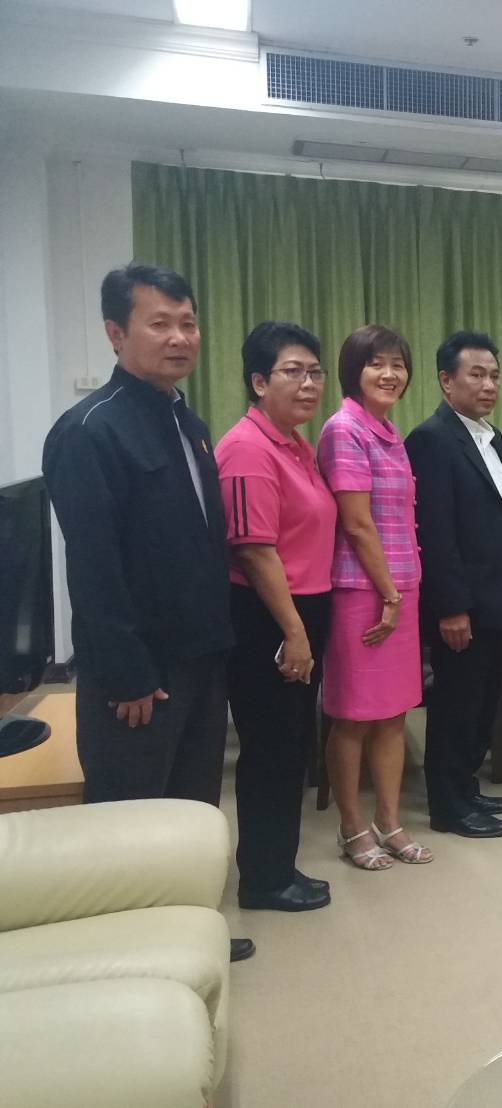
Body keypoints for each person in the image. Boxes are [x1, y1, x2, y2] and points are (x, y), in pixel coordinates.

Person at [42, 263, 253, 961]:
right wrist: (127, 673)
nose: (179, 337)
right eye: (159, 323)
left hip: (202, 654)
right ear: (115, 332)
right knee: (131, 818)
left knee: (191, 810)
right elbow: (93, 568)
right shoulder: (89, 431)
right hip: (139, 674)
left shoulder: (187, 422)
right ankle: (128, 957)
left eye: (188, 323)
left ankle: (189, 938)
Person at [215, 321, 337, 912]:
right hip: (269, 616)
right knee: (270, 751)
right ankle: (263, 879)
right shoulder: (247, 448)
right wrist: (294, 633)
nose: (308, 383)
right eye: (293, 372)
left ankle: (277, 866)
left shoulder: (293, 443)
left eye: (315, 372)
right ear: (259, 381)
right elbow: (254, 550)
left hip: (300, 610)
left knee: (291, 747)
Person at [405, 331, 502, 838]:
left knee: (482, 703)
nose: (488, 385)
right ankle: (448, 806)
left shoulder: (490, 436)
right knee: (456, 705)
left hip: (498, 597)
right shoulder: (432, 439)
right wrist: (451, 607)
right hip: (464, 605)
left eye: (494, 375)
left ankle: (466, 785)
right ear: (446, 381)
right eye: (476, 375)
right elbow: (435, 533)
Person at [317, 324, 433, 870]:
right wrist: (387, 594)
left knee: (392, 715)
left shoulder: (387, 430)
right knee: (354, 717)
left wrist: (400, 593)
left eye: (398, 364)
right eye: (376, 363)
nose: (390, 374)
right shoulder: (344, 430)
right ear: (353, 371)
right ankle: (351, 826)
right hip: (364, 593)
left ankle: (389, 820)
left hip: (400, 589)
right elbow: (357, 524)